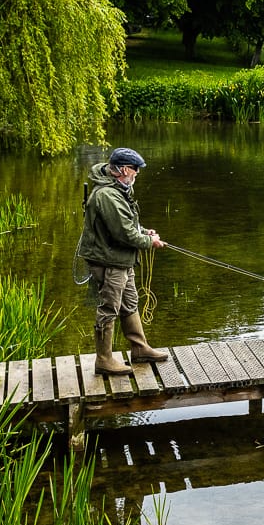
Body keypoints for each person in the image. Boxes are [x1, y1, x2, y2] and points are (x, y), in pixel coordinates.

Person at [76, 146, 170, 374]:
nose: (137, 173)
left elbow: (128, 225)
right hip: (109, 263)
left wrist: (145, 232)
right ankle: (104, 360)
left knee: (130, 303)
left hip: (122, 261)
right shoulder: (107, 195)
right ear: (125, 169)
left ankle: (140, 349)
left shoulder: (116, 189)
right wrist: (150, 242)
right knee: (109, 308)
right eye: (136, 170)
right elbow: (125, 234)